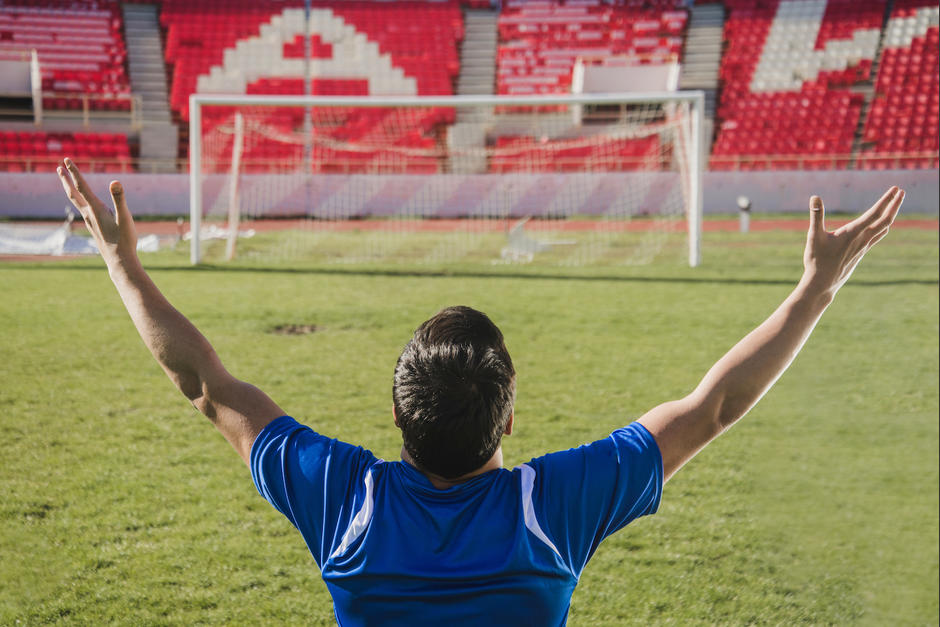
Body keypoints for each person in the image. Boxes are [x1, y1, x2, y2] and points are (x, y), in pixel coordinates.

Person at [56, 158, 905, 625]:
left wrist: (122, 261)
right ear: (510, 417)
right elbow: (714, 406)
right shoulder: (553, 505)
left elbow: (206, 384)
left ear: (394, 412)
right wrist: (814, 290)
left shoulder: (344, 500)